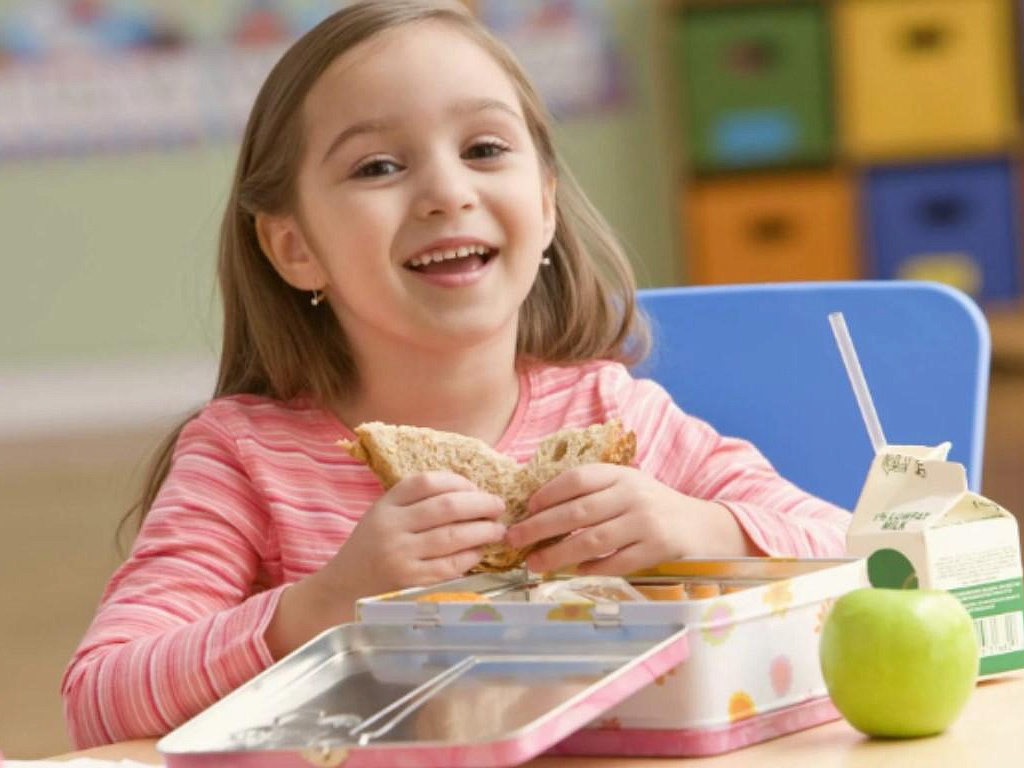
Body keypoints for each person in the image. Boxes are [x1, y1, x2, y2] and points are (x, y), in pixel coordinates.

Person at [62, 0, 850, 749]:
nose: (446, 192)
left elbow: (850, 549)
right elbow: (100, 697)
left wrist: (702, 529)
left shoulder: (615, 416)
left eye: (484, 149)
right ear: (294, 246)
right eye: (377, 166)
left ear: (544, 205)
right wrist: (324, 606)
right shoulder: (243, 457)